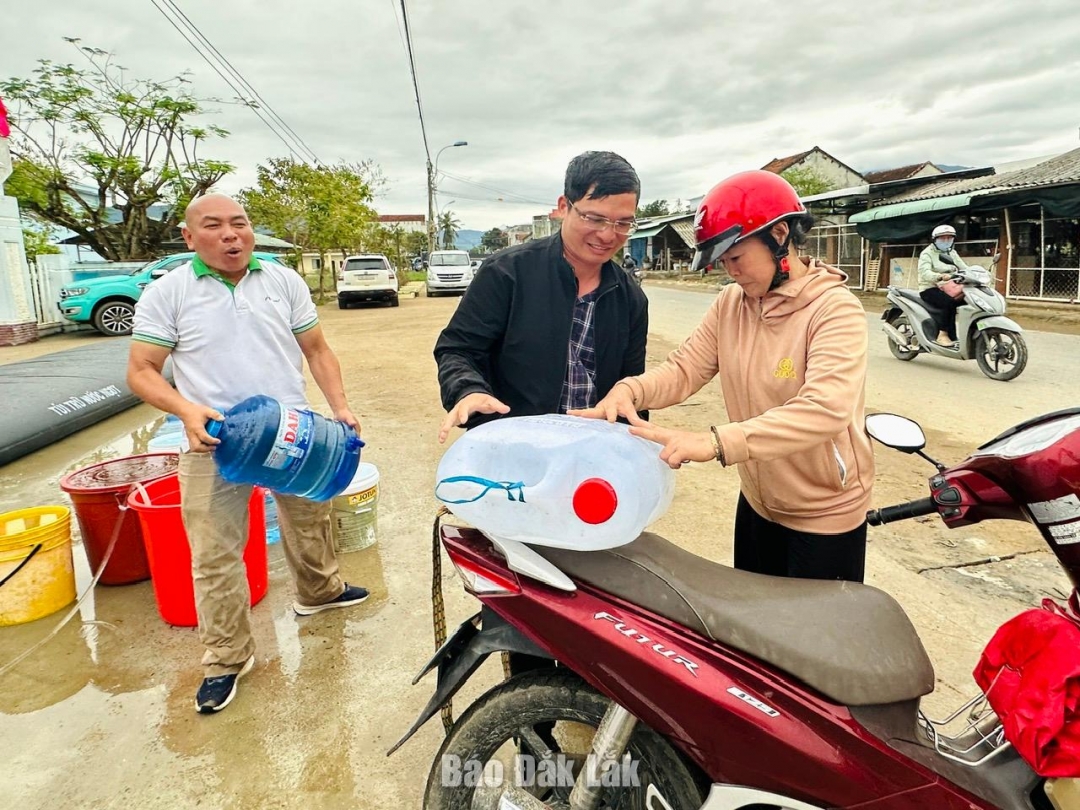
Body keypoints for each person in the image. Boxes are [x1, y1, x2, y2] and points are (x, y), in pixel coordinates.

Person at [127, 194, 369, 715]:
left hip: (291, 432)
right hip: (212, 439)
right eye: (213, 225)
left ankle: (320, 593)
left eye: (239, 223)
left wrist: (340, 407)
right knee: (214, 553)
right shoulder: (168, 292)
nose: (230, 234)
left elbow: (317, 350)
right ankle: (226, 659)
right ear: (189, 237)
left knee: (310, 517)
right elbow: (141, 370)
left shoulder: (283, 280)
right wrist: (186, 410)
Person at [572, 170, 875, 583]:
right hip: (758, 502)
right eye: (723, 262)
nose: (730, 271)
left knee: (814, 625)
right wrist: (632, 389)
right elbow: (686, 368)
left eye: (736, 258)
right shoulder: (733, 302)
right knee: (752, 618)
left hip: (823, 514)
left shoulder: (834, 310)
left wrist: (715, 442)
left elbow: (825, 409)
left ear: (780, 235)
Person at [435, 151, 649, 442]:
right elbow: (458, 350)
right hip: (512, 444)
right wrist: (468, 390)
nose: (608, 235)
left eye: (623, 223)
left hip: (592, 448)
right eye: (595, 218)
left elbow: (631, 388)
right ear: (564, 207)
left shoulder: (631, 298)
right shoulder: (506, 273)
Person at [918, 224, 968, 346]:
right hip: (930, 288)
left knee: (970, 301)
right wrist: (939, 276)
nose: (946, 241)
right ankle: (942, 335)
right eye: (942, 238)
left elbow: (964, 267)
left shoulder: (952, 252)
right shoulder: (927, 253)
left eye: (949, 238)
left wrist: (977, 273)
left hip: (950, 287)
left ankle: (967, 336)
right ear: (935, 239)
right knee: (948, 303)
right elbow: (925, 273)